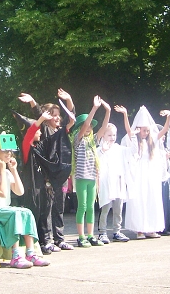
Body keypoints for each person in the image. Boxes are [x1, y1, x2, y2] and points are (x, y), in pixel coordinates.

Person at [0, 137, 49, 268]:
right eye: (4, 150)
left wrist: (13, 170)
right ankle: (15, 256)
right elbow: (3, 193)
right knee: (14, 214)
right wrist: (2, 171)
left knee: (26, 212)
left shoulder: (7, 172)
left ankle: (30, 253)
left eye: (10, 150)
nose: (9, 153)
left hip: (2, 210)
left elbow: (20, 192)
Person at [19, 89, 76, 251]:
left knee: (59, 207)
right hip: (48, 176)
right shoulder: (45, 131)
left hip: (61, 174)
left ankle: (60, 239)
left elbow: (72, 118)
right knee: (47, 209)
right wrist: (32, 102)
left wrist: (69, 100)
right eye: (54, 115)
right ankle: (47, 240)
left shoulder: (61, 131)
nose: (57, 117)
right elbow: (39, 117)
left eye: (58, 115)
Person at [121, 105, 170, 239]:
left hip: (151, 173)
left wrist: (169, 116)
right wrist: (125, 114)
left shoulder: (152, 139)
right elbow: (128, 130)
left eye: (147, 131)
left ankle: (151, 228)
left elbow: (165, 129)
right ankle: (139, 229)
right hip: (138, 173)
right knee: (140, 199)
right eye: (144, 131)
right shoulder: (134, 139)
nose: (146, 133)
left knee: (151, 199)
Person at [72, 95, 107, 247]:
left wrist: (108, 111)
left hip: (92, 178)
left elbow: (103, 128)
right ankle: (81, 237)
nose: (88, 128)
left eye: (91, 127)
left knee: (91, 207)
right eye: (86, 126)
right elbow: (86, 124)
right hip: (81, 177)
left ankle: (91, 235)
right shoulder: (77, 139)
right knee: (82, 206)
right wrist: (94, 108)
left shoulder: (93, 141)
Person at [97, 104, 131, 243]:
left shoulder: (119, 148)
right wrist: (103, 151)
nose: (112, 137)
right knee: (105, 208)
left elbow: (132, 147)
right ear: (103, 135)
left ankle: (117, 231)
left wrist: (125, 115)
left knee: (118, 208)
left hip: (118, 182)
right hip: (106, 183)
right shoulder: (99, 149)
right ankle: (102, 232)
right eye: (109, 135)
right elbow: (97, 162)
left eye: (114, 135)